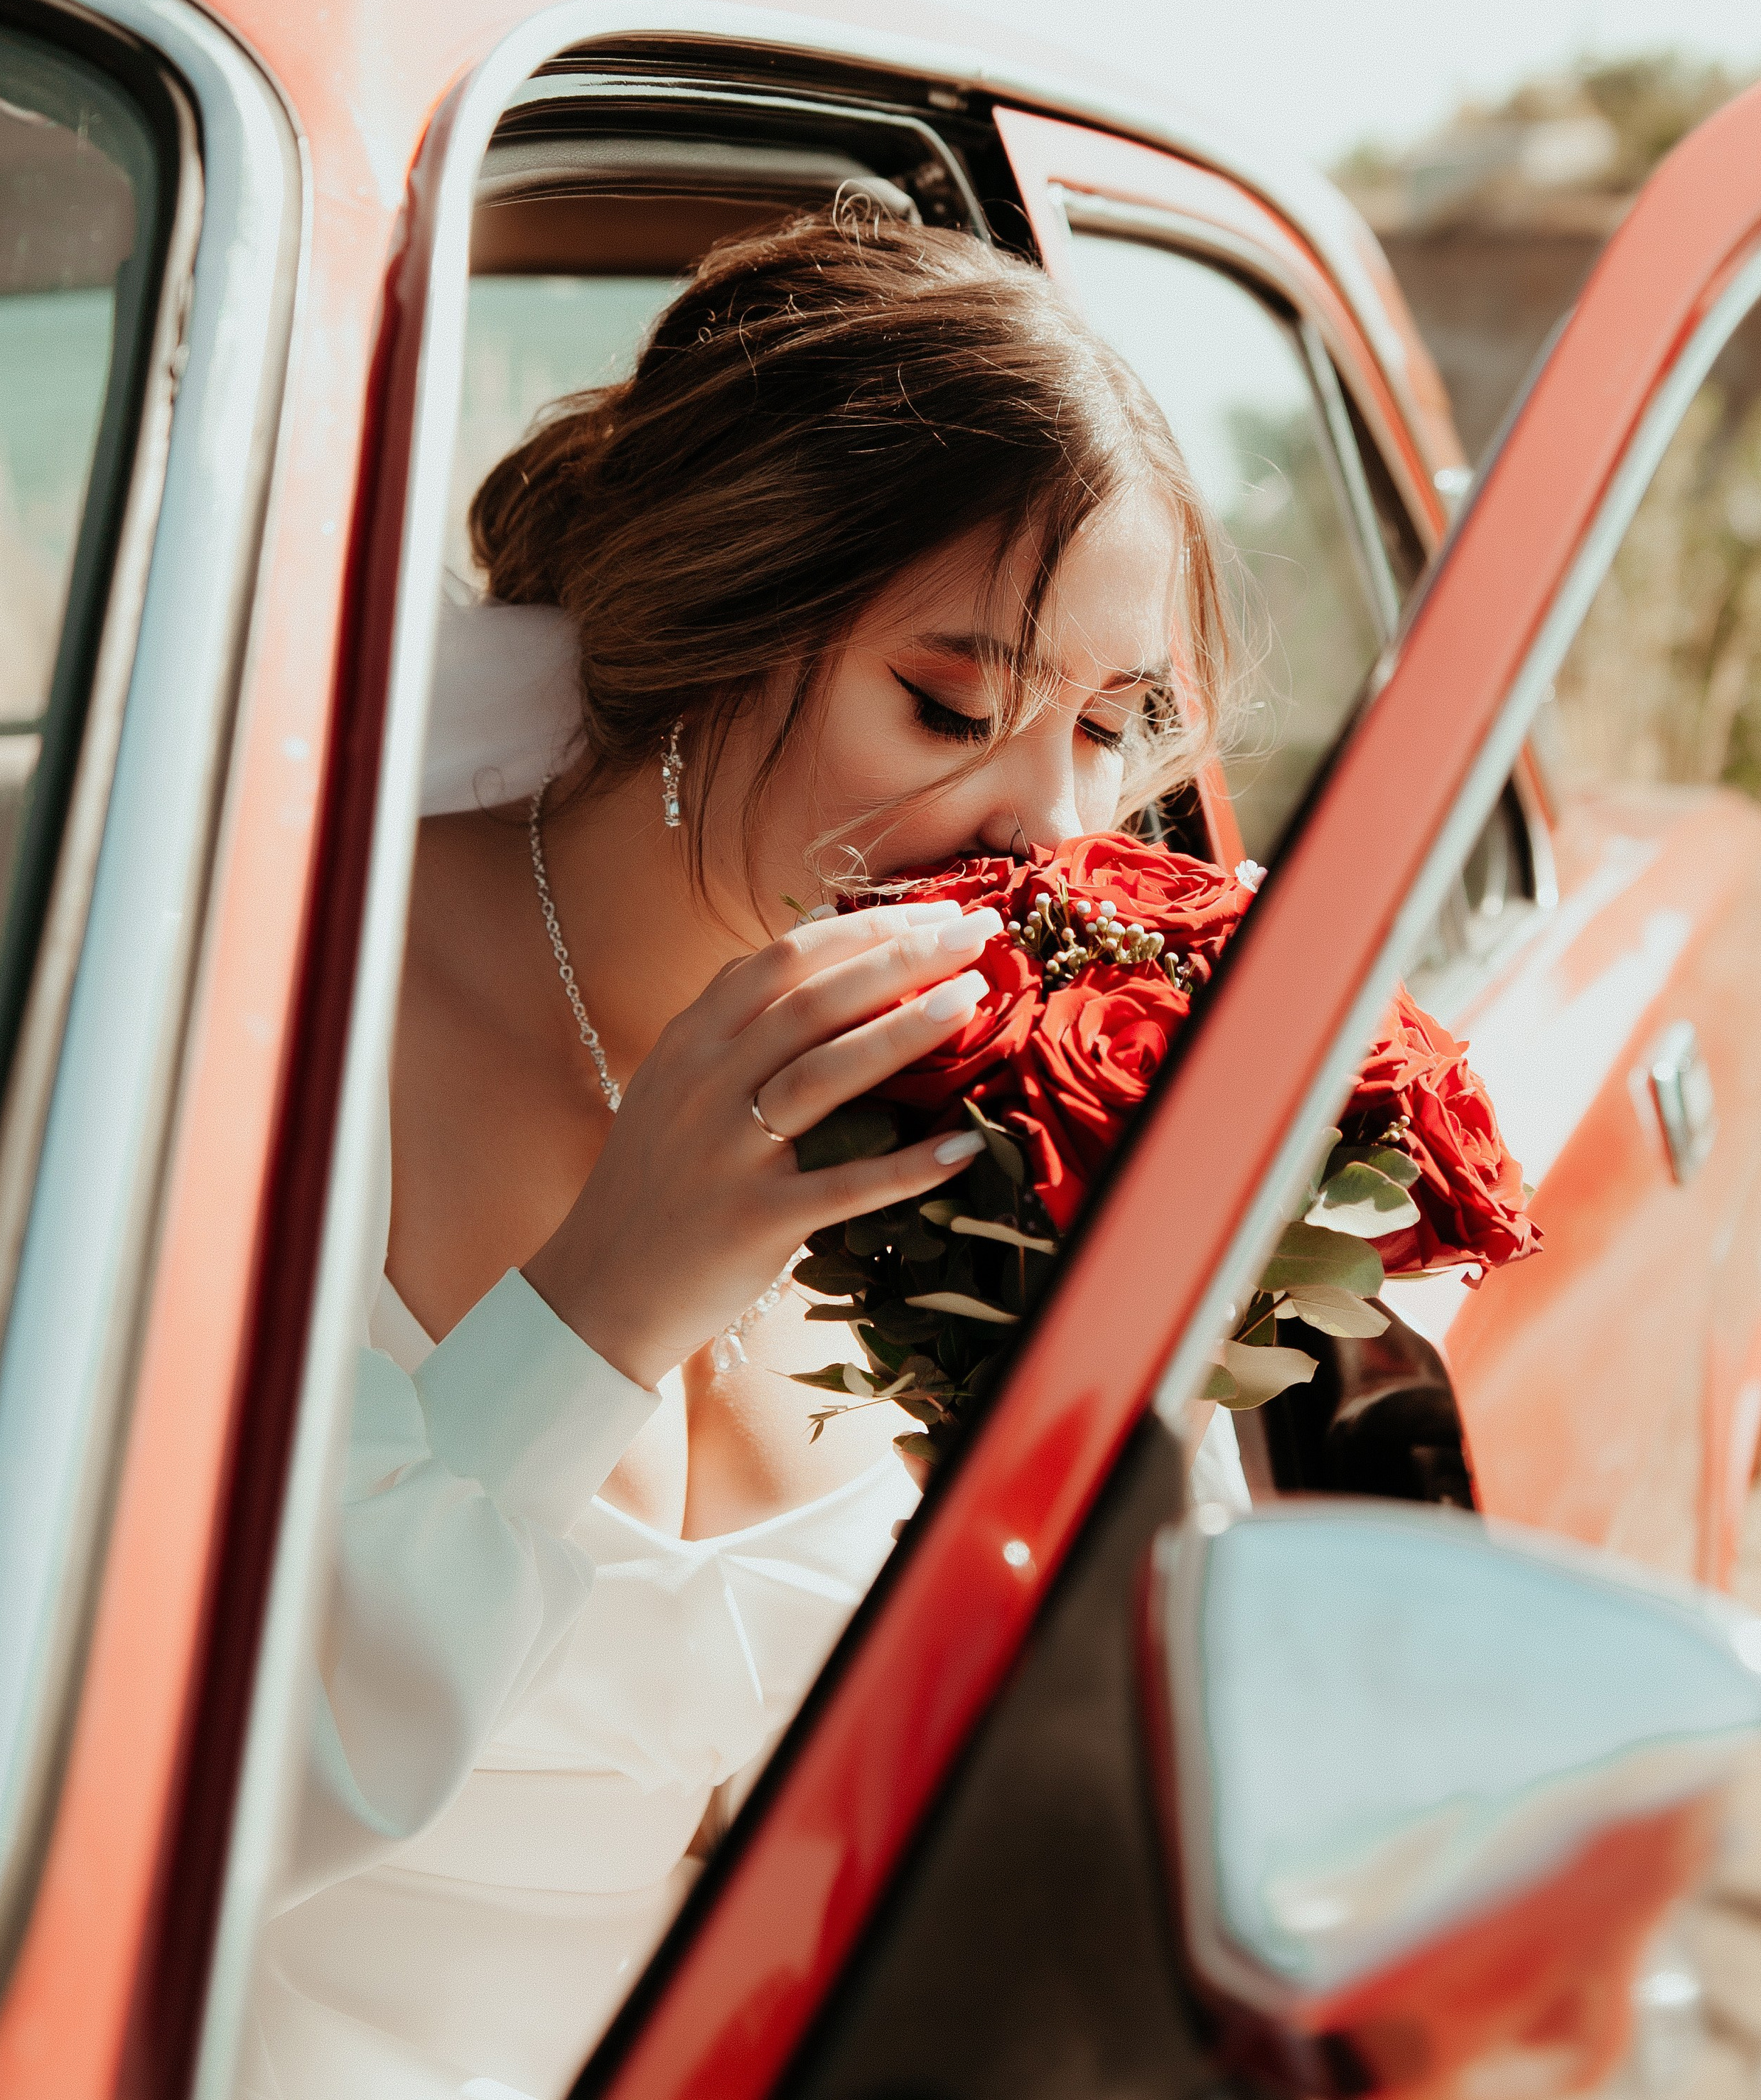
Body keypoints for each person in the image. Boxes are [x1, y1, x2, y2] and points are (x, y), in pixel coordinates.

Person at [243, 210, 1231, 2100]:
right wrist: (598, 1307)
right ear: (720, 620)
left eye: (1120, 732)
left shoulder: (1014, 1105)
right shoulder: (284, 1004)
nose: (1048, 820)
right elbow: (103, 1790)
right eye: (952, 705)